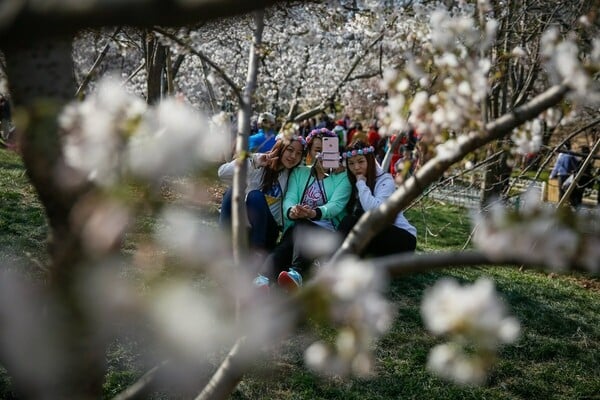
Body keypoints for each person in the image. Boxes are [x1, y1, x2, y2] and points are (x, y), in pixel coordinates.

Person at [257, 128, 351, 290]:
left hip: (326, 234)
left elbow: (336, 205)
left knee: (300, 227)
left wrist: (313, 213)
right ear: (310, 152)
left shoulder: (342, 176)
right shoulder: (300, 172)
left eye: (327, 150)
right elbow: (290, 196)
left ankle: (288, 274)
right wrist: (292, 210)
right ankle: (266, 280)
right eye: (317, 150)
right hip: (298, 230)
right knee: (291, 238)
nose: (321, 154)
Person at [219, 134, 306, 253]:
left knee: (256, 196)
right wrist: (254, 162)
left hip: (268, 230)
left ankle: (257, 253)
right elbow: (222, 173)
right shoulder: (258, 161)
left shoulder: (295, 175)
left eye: (299, 153)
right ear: (280, 148)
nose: (293, 156)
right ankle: (223, 245)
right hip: (246, 224)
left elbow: (314, 171)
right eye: (290, 150)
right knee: (232, 191)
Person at [337, 141, 417, 257]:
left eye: (361, 161)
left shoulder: (385, 180)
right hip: (376, 235)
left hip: (402, 239)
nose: (356, 167)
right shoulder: (351, 179)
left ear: (369, 160)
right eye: (351, 163)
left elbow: (374, 210)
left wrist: (361, 183)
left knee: (352, 222)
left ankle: (336, 261)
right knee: (350, 221)